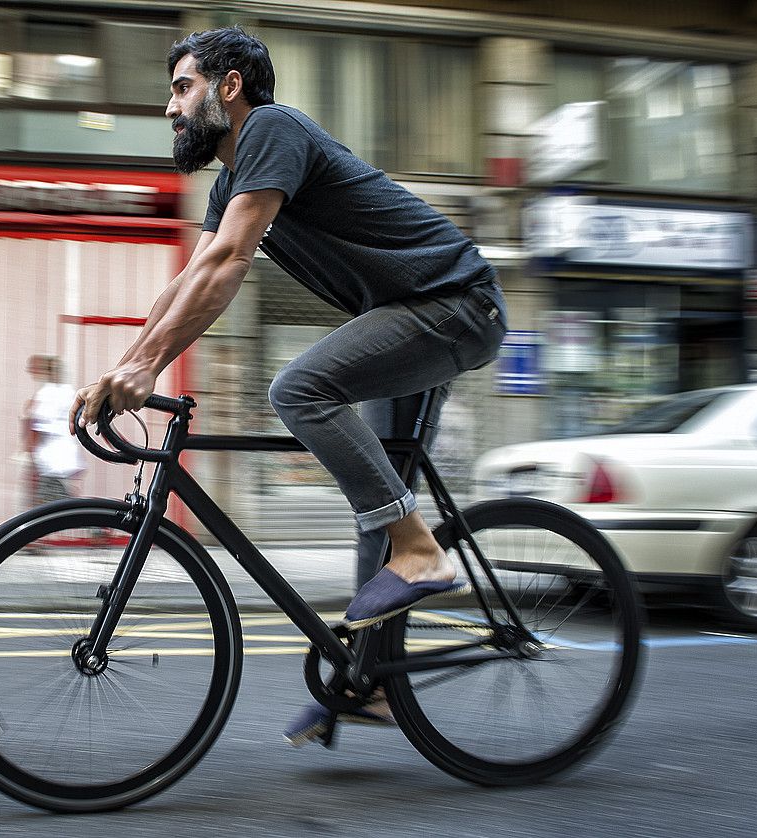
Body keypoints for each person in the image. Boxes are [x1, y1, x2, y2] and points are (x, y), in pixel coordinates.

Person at [70, 26, 508, 747]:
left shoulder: (271, 129)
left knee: (299, 389)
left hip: (455, 303)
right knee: (380, 499)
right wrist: (127, 365)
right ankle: (373, 687)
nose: (171, 108)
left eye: (182, 88)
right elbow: (188, 279)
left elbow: (230, 262)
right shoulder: (231, 179)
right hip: (405, 314)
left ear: (229, 86)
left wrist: (146, 371)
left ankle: (424, 553)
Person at [25, 354, 83, 506]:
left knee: (45, 512)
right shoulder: (71, 393)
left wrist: (31, 457)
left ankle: (98, 527)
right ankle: (97, 525)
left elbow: (37, 429)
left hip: (49, 462)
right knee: (63, 506)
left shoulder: (45, 394)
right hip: (68, 459)